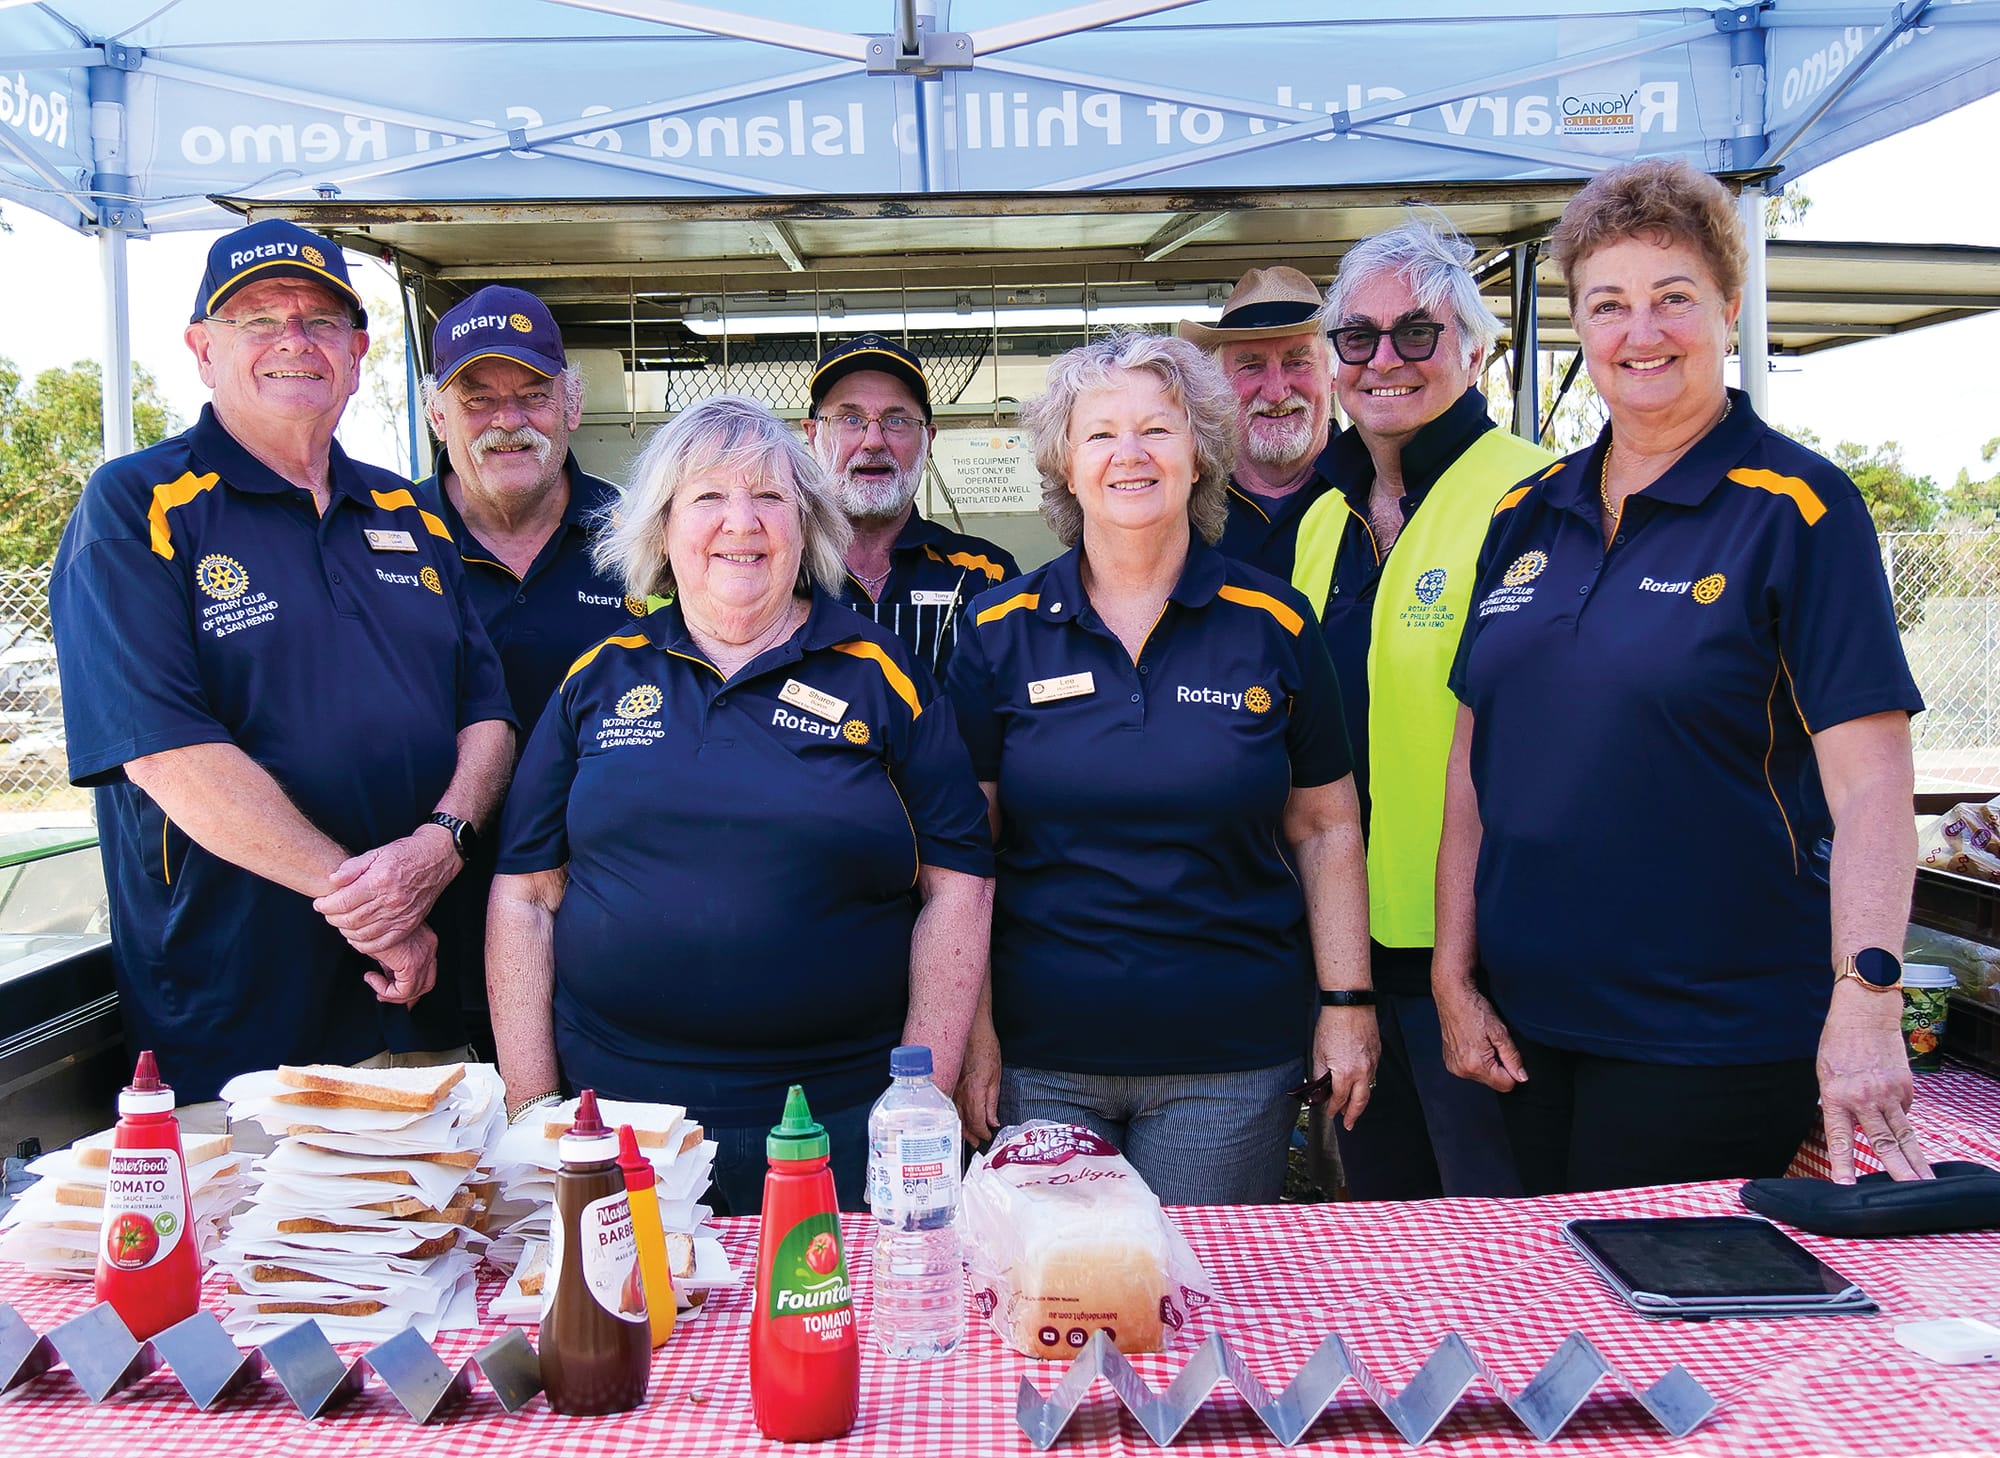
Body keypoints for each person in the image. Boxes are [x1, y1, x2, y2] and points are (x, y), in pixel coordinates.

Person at [1433, 159, 1932, 1192]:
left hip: (1708, 1032)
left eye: (1672, 299)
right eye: (1607, 304)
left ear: (1727, 307)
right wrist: (1451, 973)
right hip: (1527, 1025)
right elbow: (1473, 761)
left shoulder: (1795, 507)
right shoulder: (1524, 514)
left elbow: (1872, 780)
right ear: (1578, 324)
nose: (1639, 332)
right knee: (1551, 1309)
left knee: (1671, 1325)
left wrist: (1865, 995)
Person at [48, 219, 516, 1118]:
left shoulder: (403, 510)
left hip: (425, 1009)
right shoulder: (140, 505)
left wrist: (438, 846)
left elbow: (487, 716)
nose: (294, 341)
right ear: (202, 349)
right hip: (243, 1028)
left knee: (438, 1252)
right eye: (259, 317)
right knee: (260, 1259)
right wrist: (375, 907)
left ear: (357, 350)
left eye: (321, 320)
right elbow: (167, 754)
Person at [487, 395, 994, 1214]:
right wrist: (533, 1107)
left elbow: (958, 884)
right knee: (633, 1334)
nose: (742, 522)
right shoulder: (598, 679)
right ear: (662, 528)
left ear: (807, 524)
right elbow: (527, 892)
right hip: (619, 1123)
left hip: (837, 1119)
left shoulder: (881, 675)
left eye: (769, 497)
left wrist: (920, 1100)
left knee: (827, 1333)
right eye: (709, 498)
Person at [947, 331, 1377, 1206]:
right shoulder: (998, 633)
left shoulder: (1274, 625)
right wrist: (974, 1029)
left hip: (1227, 1063)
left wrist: (1346, 1003)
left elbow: (1327, 828)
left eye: (1159, 429)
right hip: (1042, 1060)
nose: (1129, 455)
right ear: (1065, 465)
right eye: (1100, 433)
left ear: (1200, 456)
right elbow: (966, 856)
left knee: (1194, 1315)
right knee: (1058, 1309)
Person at [1288, 220, 1553, 1200]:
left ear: (1475, 350)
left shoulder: (1533, 494)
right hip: (1352, 956)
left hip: (1483, 963)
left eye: (1416, 333)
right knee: (1385, 1230)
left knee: (1501, 1239)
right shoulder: (1323, 519)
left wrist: (1463, 970)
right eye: (1356, 338)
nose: (1382, 360)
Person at [415, 285, 640, 1059]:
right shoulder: (379, 541)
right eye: (477, 398)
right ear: (436, 414)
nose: (508, 421)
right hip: (423, 948)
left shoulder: (648, 540)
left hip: (610, 946)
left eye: (533, 395)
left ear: (572, 404)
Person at [803, 333, 1020, 674]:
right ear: (813, 435)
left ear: (928, 439)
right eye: (850, 419)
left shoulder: (985, 574)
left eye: (896, 420)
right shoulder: (783, 568)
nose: (873, 441)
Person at [1179, 266, 1340, 579]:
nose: (1276, 392)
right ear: (1217, 384)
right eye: (1251, 366)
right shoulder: (1181, 503)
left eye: (1297, 363)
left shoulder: (1378, 488)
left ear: (1333, 375)